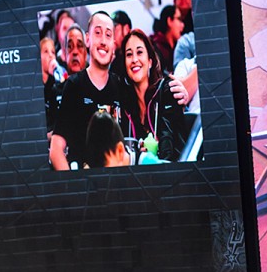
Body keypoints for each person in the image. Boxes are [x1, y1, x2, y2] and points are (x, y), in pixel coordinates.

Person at [48, 11, 122, 170]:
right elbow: (55, 149)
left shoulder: (120, 85)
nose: (103, 41)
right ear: (88, 39)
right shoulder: (73, 85)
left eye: (108, 35)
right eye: (98, 33)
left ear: (113, 44)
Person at [115, 29, 190, 162]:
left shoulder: (167, 90)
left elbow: (170, 151)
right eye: (129, 54)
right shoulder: (125, 103)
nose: (134, 60)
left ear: (150, 61)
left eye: (139, 52)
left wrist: (148, 155)